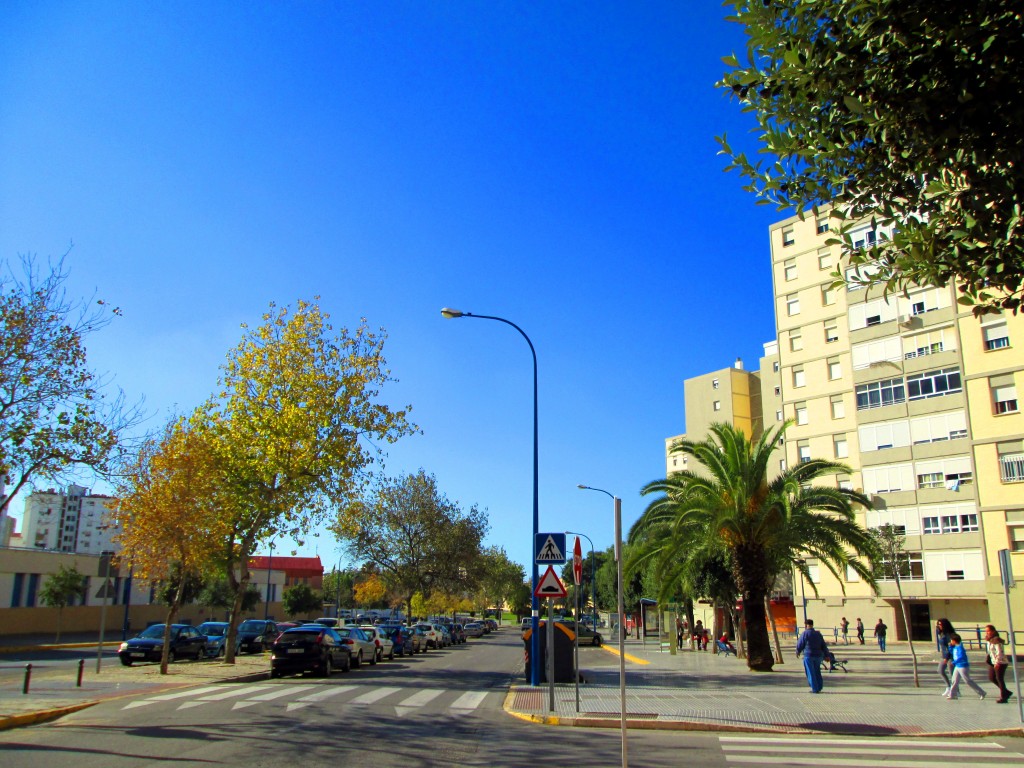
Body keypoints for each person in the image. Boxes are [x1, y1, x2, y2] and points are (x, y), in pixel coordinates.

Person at [946, 633, 986, 701]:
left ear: (955, 640)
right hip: (957, 666)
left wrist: (954, 662)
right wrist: (950, 647)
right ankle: (952, 694)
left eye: (951, 640)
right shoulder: (955, 647)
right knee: (954, 680)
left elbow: (961, 657)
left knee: (967, 681)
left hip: (963, 666)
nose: (950, 641)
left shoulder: (960, 648)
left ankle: (982, 692)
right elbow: (952, 653)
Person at [796, 618, 827, 693]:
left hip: (808, 655)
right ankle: (819, 686)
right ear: (812, 625)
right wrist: (826, 654)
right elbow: (823, 645)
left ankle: (814, 688)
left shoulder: (805, 633)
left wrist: (798, 651)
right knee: (817, 671)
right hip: (818, 656)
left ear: (806, 625)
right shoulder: (818, 634)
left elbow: (800, 644)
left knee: (810, 672)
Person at [985, 624, 1012, 704]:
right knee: (992, 678)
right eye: (986, 631)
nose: (987, 633)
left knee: (999, 679)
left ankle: (1004, 697)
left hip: (1001, 662)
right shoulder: (988, 640)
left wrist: (997, 662)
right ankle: (1006, 692)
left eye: (988, 631)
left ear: (993, 631)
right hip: (993, 662)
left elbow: (999, 652)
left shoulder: (997, 640)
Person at [936, 618, 956, 695]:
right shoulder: (941, 634)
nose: (938, 626)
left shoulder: (949, 635)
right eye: (938, 624)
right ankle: (948, 687)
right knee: (940, 670)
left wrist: (947, 658)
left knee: (952, 674)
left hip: (950, 656)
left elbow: (950, 647)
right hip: (943, 656)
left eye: (940, 624)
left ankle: (956, 691)